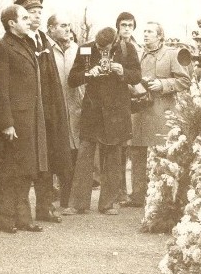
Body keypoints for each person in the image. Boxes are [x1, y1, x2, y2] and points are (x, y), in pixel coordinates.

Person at [68, 27, 142, 214]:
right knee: (84, 156)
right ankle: (78, 204)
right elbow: (72, 79)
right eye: (99, 47)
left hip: (116, 112)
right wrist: (88, 73)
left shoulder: (128, 49)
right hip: (92, 111)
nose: (101, 51)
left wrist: (122, 71)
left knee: (113, 157)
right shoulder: (86, 49)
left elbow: (137, 77)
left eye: (105, 48)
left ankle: (108, 204)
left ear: (114, 42)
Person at [0, 4, 47, 234]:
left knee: (25, 170)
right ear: (11, 23)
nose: (29, 19)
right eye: (24, 17)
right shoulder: (1, 47)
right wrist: (6, 122)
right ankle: (7, 219)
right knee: (9, 171)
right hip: (14, 120)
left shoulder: (26, 43)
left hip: (29, 119)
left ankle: (24, 218)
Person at [17, 0, 70, 224]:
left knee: (48, 158)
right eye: (31, 11)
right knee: (27, 161)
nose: (36, 15)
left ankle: (45, 206)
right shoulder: (19, 40)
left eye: (39, 11)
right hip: (28, 110)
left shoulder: (43, 39)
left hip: (47, 110)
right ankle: (21, 213)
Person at [127, 22, 190, 207]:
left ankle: (161, 195)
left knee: (160, 153)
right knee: (137, 152)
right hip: (139, 110)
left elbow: (185, 80)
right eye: (144, 31)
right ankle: (137, 195)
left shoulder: (171, 54)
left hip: (161, 111)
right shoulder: (137, 53)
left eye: (150, 32)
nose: (145, 35)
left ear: (160, 36)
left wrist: (162, 85)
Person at [46, 13, 82, 214]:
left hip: (74, 109)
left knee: (73, 153)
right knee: (56, 152)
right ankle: (50, 197)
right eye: (62, 25)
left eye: (69, 25)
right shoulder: (46, 49)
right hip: (54, 110)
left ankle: (68, 200)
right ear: (51, 28)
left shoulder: (77, 49)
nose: (67, 29)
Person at [115, 11, 143, 204]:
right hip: (114, 103)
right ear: (118, 26)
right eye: (123, 25)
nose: (126, 29)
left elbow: (136, 74)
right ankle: (118, 190)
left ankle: (123, 190)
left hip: (129, 101)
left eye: (130, 26)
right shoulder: (112, 45)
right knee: (116, 147)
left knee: (125, 147)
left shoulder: (135, 47)